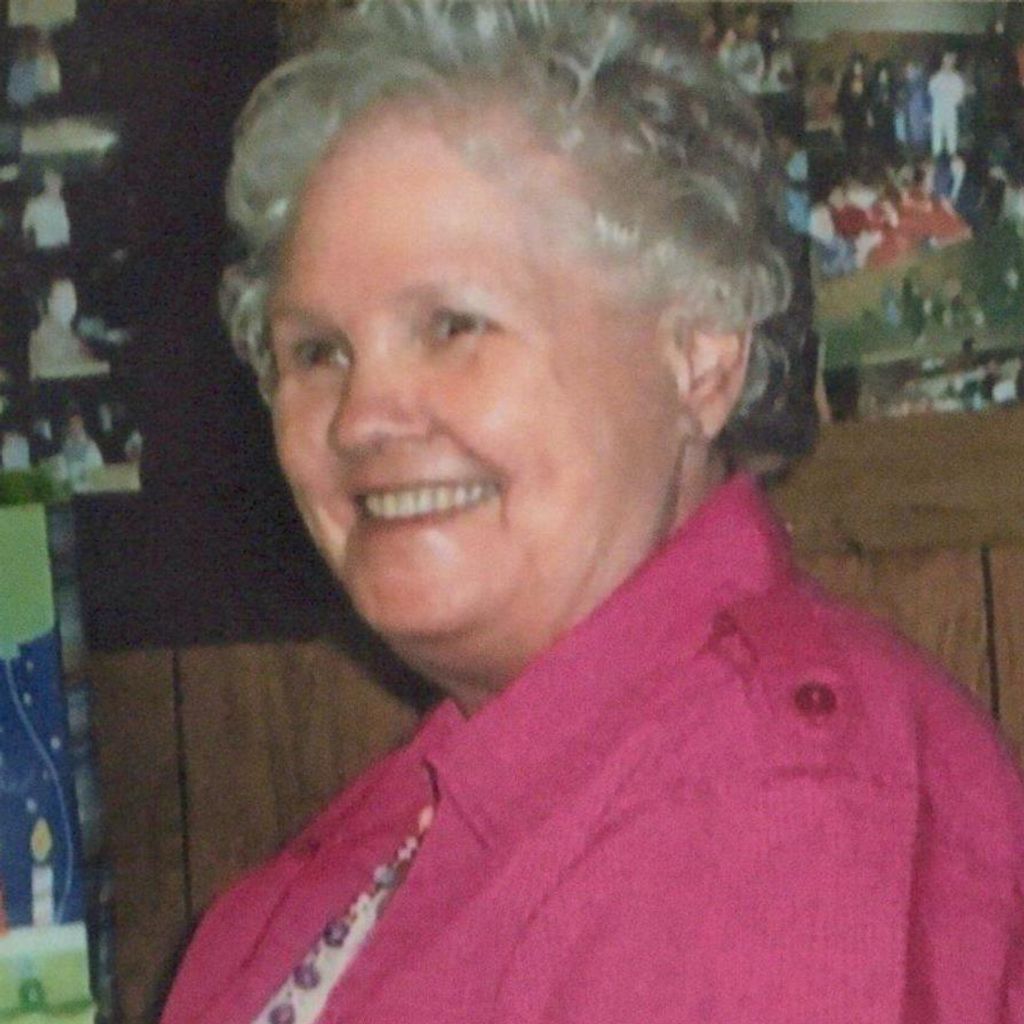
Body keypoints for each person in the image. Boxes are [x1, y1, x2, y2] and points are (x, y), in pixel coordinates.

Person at [163, 5, 1024, 1024]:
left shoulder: (771, 812)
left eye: (453, 326)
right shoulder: (438, 806)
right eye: (317, 352)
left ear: (701, 357)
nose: (359, 418)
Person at [929, 51, 966, 158]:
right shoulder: (936, 78)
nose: (948, 63)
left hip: (951, 110)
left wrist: (951, 101)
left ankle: (952, 155)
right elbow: (931, 92)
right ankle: (936, 156)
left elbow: (960, 95)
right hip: (938, 109)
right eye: (946, 60)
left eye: (951, 61)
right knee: (937, 133)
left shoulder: (957, 79)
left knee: (951, 132)